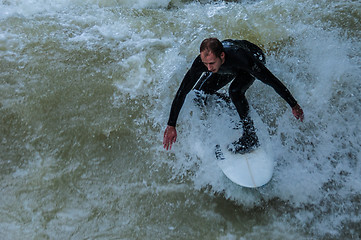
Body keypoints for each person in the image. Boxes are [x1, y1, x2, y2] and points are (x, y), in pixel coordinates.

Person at [163, 38, 304, 153]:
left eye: (211, 63)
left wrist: (293, 104)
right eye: (205, 64)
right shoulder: (204, 62)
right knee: (200, 93)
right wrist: (171, 124)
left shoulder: (242, 58)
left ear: (221, 56)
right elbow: (182, 91)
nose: (208, 68)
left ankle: (250, 136)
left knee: (235, 91)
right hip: (227, 66)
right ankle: (234, 105)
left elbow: (271, 80)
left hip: (253, 57)